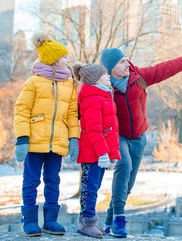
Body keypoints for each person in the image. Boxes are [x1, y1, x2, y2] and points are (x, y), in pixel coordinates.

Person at [100, 45, 182, 237]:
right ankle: (119, 220)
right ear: (110, 68)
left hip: (139, 138)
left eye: (125, 59)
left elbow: (172, 66)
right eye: (121, 61)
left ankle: (109, 220)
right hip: (119, 137)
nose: (127, 63)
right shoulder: (104, 88)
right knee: (123, 167)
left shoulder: (139, 77)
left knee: (128, 184)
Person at [14, 33, 80, 237]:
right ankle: (30, 221)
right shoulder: (34, 82)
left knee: (53, 180)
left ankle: (51, 220)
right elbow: (21, 109)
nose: (68, 61)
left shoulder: (69, 84)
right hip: (34, 142)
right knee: (31, 181)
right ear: (53, 60)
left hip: (57, 143)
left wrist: (73, 138)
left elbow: (71, 114)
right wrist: (22, 138)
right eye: (64, 58)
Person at [73, 63, 121, 239]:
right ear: (95, 79)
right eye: (104, 75)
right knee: (90, 188)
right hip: (92, 153)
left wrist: (112, 154)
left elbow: (110, 130)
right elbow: (93, 130)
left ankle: (86, 222)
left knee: (94, 186)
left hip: (101, 153)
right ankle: (87, 223)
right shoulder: (92, 98)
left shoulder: (104, 96)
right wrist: (102, 153)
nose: (109, 77)